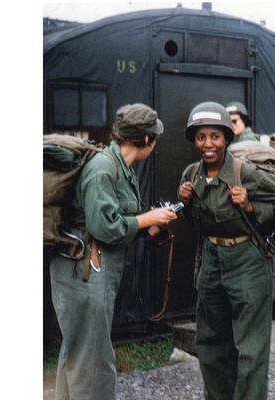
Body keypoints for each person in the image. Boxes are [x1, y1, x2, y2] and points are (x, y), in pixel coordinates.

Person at [50, 103, 178, 400]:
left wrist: (150, 223)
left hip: (89, 268)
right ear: (146, 140)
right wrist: (149, 218)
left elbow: (116, 217)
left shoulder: (121, 167)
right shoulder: (104, 169)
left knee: (80, 351)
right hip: (83, 271)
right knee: (93, 359)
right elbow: (103, 227)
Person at [178, 101, 275, 400]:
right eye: (201, 137)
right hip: (211, 261)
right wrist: (184, 202)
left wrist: (251, 205)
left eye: (215, 136)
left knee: (251, 349)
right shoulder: (191, 174)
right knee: (211, 344)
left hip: (247, 261)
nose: (208, 144)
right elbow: (195, 220)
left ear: (227, 137)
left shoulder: (245, 173)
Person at [226, 100, 275, 319]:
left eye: (234, 121)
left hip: (257, 207)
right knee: (272, 251)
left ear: (244, 122)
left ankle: (270, 303)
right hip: (259, 207)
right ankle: (273, 302)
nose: (231, 126)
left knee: (267, 253)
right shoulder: (240, 143)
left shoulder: (245, 145)